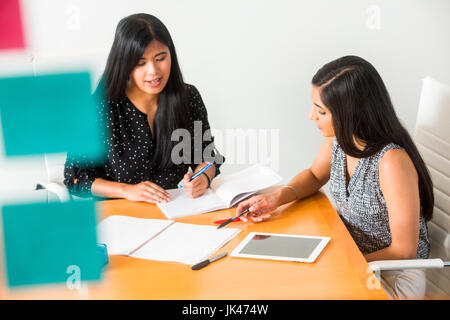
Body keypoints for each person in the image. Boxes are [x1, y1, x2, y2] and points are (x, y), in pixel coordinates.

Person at [236, 56, 433, 300]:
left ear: (349, 113)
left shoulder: (391, 162)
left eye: (321, 110)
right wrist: (276, 198)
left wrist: (338, 266)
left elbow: (404, 252)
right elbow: (314, 175)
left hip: (393, 275)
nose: (312, 116)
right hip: (350, 253)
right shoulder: (339, 141)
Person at [64, 13, 224, 203]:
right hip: (122, 217)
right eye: (140, 63)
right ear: (124, 64)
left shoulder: (188, 97)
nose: (153, 71)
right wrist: (126, 190)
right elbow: (76, 178)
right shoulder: (98, 108)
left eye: (160, 58)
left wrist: (202, 178)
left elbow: (206, 157)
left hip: (176, 211)